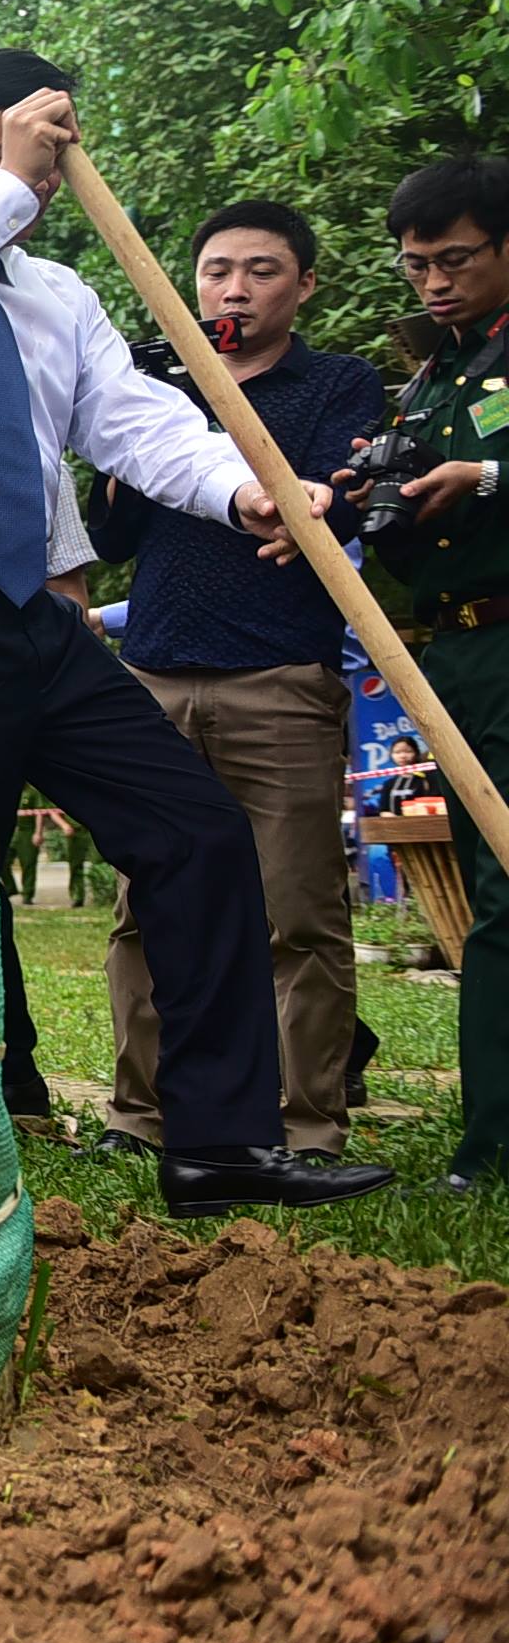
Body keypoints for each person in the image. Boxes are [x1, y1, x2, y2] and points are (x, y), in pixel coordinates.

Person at [0, 49, 386, 1214]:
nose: (40, 172)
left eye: (51, 148)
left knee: (194, 835)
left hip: (43, 615)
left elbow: (143, 427)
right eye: (12, 146)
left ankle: (217, 1144)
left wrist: (248, 487)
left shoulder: (55, 297)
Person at [87, 199, 382, 1163]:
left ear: (303, 284)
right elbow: (114, 535)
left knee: (297, 913)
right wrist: (138, 436)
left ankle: (304, 1127)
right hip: (156, 676)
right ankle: (141, 1116)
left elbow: (342, 504)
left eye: (260, 271)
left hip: (280, 680)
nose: (234, 289)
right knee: (147, 907)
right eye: (216, 271)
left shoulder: (339, 385)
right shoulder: (150, 392)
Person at [336, 152, 509, 1196]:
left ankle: (487, 1151)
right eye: (413, 267)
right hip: (451, 649)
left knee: (500, 893)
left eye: (453, 259)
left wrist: (484, 472)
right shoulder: (435, 368)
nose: (432, 283)